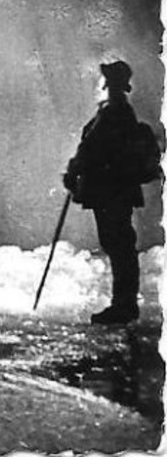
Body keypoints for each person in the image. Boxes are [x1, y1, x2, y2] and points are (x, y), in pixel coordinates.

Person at [63, 60, 153, 325]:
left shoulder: (114, 112)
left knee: (118, 243)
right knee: (118, 243)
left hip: (111, 189)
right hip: (114, 188)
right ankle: (123, 303)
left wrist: (73, 170)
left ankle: (123, 305)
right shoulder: (117, 110)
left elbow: (91, 147)